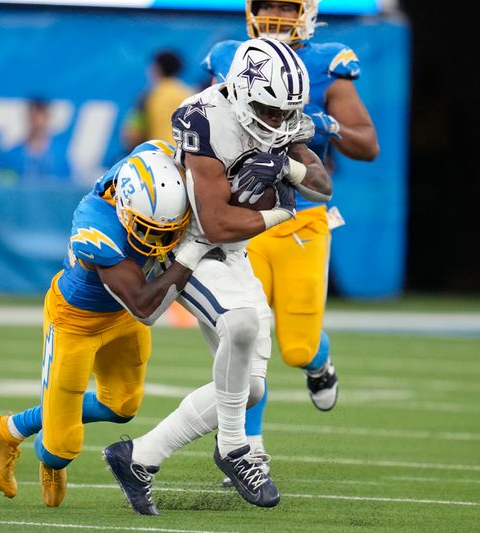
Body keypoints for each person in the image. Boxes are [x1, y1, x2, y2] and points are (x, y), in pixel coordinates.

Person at [103, 37, 333, 515]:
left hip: (233, 251)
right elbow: (214, 222)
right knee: (242, 324)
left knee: (249, 389)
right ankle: (235, 447)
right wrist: (282, 210)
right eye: (269, 111)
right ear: (245, 93)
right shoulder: (202, 118)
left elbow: (323, 186)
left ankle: (138, 457)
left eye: (284, 113)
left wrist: (286, 165)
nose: (278, 121)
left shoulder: (283, 114)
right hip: (188, 246)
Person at [0, 140, 215, 508]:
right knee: (61, 448)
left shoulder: (160, 159)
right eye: (148, 228)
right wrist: (193, 249)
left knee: (122, 406)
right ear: (123, 208)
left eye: (167, 230)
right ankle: (32, 445)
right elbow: (144, 306)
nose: (159, 241)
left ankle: (8, 428)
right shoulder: (96, 229)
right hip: (78, 321)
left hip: (120, 315)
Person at [202, 0, 380, 472]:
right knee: (246, 336)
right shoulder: (228, 57)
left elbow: (368, 144)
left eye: (287, 5)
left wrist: (326, 123)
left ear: (308, 12)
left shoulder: (327, 62)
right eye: (270, 5)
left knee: (296, 346)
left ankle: (318, 363)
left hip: (301, 217)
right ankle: (247, 449)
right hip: (248, 217)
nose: (278, 15)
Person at [122, 50, 193, 151]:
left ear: (157, 68)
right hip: (187, 158)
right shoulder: (191, 94)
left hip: (158, 156)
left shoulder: (148, 95)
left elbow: (133, 133)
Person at [0, 98, 71, 183]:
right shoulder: (13, 155)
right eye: (33, 118)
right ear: (27, 119)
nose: (38, 123)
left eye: (42, 118)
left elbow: (68, 183)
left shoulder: (59, 154)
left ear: (48, 119)